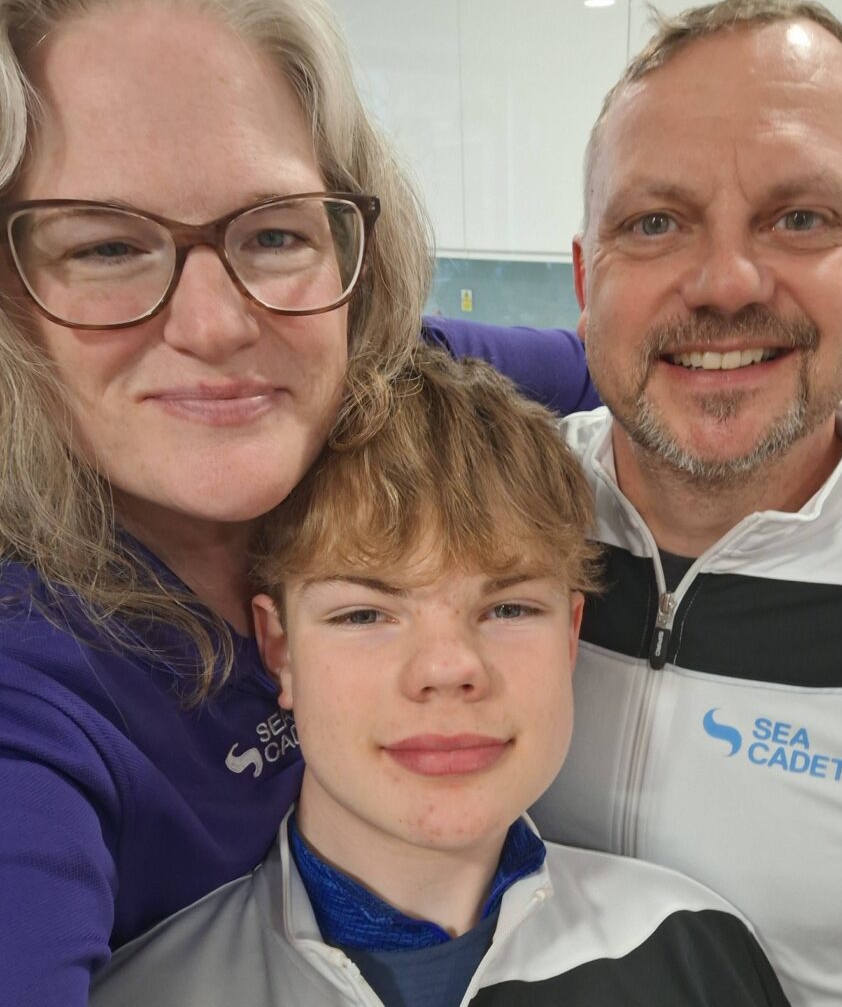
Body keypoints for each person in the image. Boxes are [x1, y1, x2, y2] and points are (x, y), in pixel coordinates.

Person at [0, 0, 842, 1004]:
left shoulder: (380, 384)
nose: (216, 325)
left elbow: (673, 356)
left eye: (274, 235)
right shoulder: (33, 688)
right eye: (105, 246)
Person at [88, 346, 791, 1006]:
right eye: (365, 614)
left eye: (509, 608)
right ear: (281, 649)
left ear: (570, 635)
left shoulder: (693, 948)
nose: (450, 668)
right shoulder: (142, 990)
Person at [527, 0, 842, 1007]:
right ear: (586, 281)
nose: (726, 283)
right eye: (655, 222)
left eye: (801, 218)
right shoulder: (482, 521)